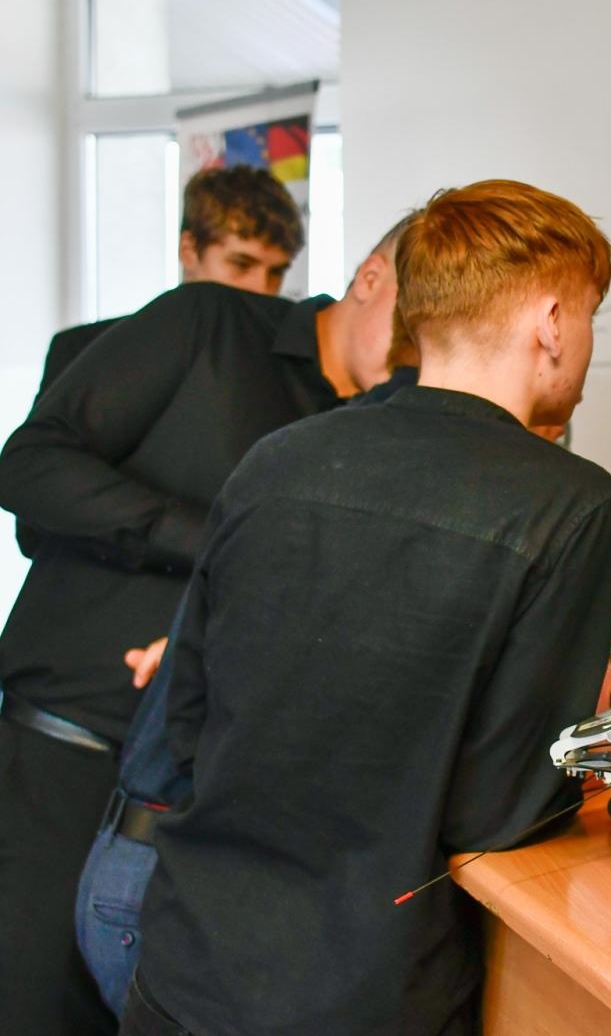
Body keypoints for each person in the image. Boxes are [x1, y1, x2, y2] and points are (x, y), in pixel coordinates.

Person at [122, 179, 611, 1036]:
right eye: (586, 317)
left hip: (185, 959)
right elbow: (494, 812)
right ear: (549, 321)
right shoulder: (571, 504)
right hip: (365, 989)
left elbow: (187, 718)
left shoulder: (275, 458)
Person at [0, 219, 403, 1036]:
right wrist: (211, 541)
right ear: (370, 278)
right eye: (415, 319)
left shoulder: (389, 427)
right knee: (36, 1008)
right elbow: (30, 466)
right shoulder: (207, 324)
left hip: (213, 801)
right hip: (70, 749)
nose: (422, 350)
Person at [33, 164, 304, 399]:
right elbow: (37, 456)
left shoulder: (293, 368)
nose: (261, 287)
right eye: (241, 264)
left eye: (276, 272)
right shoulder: (80, 350)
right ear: (188, 250)